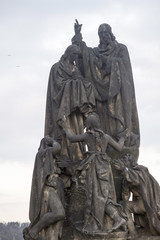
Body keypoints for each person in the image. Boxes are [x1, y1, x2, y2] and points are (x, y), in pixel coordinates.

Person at [71, 20, 140, 149]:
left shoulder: (121, 49)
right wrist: (78, 36)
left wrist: (107, 61)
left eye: (105, 32)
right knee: (103, 121)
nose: (103, 35)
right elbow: (83, 53)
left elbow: (124, 68)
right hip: (99, 94)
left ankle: (119, 147)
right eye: (101, 33)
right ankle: (105, 148)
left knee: (117, 121)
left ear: (110, 33)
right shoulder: (95, 52)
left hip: (117, 92)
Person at [63, 113, 127, 234]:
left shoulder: (88, 135)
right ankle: (117, 219)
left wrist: (65, 126)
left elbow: (71, 138)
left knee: (95, 196)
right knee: (104, 195)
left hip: (94, 166)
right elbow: (119, 147)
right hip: (105, 166)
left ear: (89, 124)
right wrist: (123, 137)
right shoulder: (106, 137)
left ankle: (101, 223)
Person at [45, 44, 95, 161]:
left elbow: (83, 84)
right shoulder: (57, 67)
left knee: (77, 129)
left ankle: (78, 155)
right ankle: (65, 156)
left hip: (76, 110)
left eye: (77, 56)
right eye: (74, 55)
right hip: (63, 107)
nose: (75, 58)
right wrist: (74, 82)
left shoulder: (75, 69)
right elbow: (58, 85)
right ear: (68, 53)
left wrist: (80, 81)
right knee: (64, 131)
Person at [23, 136, 65, 240]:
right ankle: (34, 231)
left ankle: (36, 231)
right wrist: (53, 140)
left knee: (59, 219)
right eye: (49, 142)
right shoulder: (43, 153)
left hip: (55, 189)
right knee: (59, 213)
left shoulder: (50, 157)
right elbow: (57, 148)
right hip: (48, 189)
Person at [113, 154, 160, 237]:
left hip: (149, 202)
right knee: (123, 204)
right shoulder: (127, 176)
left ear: (131, 162)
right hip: (143, 204)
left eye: (125, 160)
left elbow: (137, 179)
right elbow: (125, 196)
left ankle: (133, 233)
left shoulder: (141, 171)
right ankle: (133, 233)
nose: (123, 161)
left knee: (124, 205)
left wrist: (124, 169)